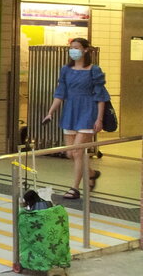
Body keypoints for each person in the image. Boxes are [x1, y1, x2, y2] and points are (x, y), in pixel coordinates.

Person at [43, 37, 109, 200]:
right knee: (70, 154)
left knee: (77, 151)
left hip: (87, 111)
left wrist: (99, 118)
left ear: (85, 50)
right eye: (71, 47)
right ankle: (92, 174)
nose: (73, 50)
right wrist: (50, 112)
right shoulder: (65, 70)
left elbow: (101, 96)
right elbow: (60, 94)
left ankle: (74, 188)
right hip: (70, 112)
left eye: (77, 47)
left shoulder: (94, 70)